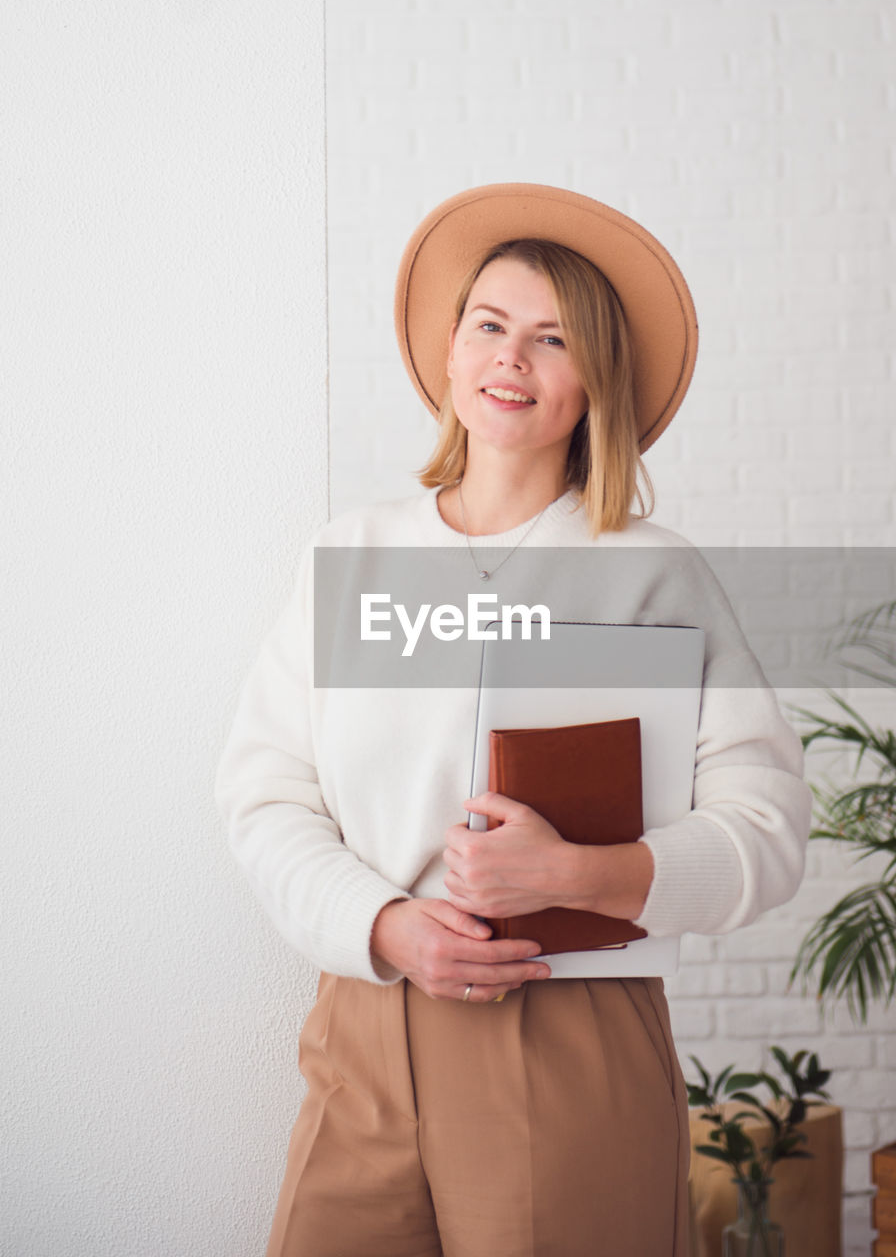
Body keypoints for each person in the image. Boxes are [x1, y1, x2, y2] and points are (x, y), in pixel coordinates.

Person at [215, 183, 811, 1257]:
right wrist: (385, 926)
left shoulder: (653, 574)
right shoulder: (349, 557)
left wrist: (575, 875)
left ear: (594, 383)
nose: (510, 358)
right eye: (489, 325)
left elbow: (765, 832)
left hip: (567, 1031)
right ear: (448, 351)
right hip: (363, 1019)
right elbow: (265, 796)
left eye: (552, 338)